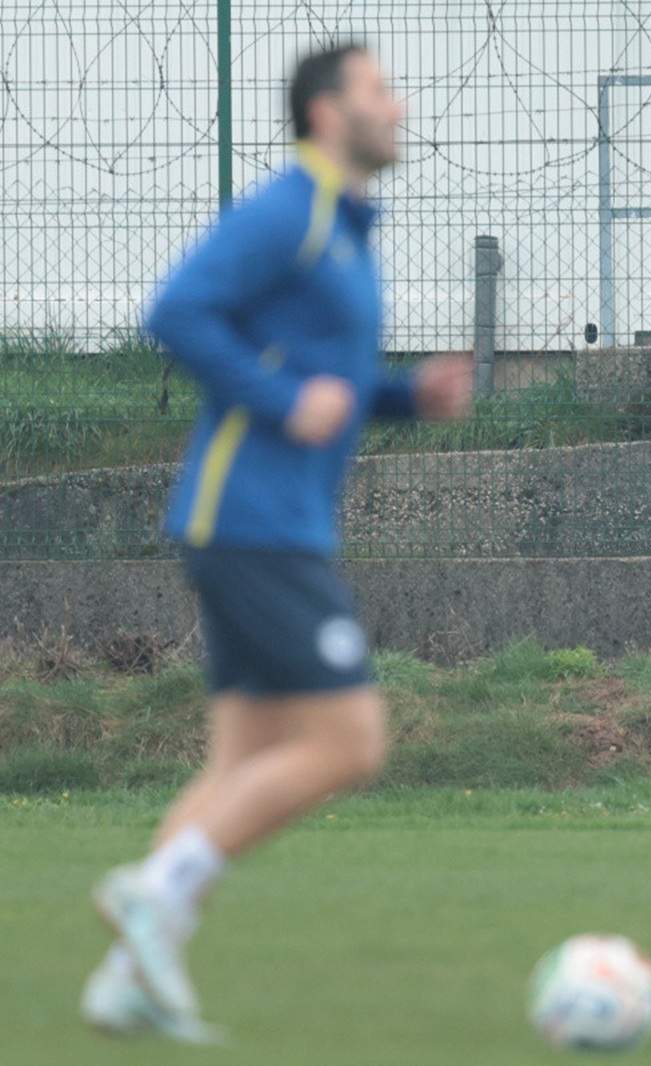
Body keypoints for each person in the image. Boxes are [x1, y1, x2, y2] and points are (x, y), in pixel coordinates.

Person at [80, 44, 473, 1043]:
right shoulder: (288, 210)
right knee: (348, 741)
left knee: (240, 763)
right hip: (251, 522)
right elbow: (176, 311)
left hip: (270, 522)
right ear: (327, 111)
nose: (399, 103)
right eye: (381, 89)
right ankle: (154, 889)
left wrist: (404, 399)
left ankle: (132, 973)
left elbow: (325, 381)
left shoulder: (343, 230)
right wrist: (282, 397)